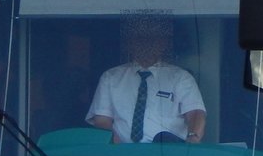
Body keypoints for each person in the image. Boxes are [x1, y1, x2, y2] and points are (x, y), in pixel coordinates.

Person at [86, 14, 206, 144]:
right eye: (139, 39)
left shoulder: (181, 78)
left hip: (168, 154)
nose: (146, 43)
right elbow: (102, 120)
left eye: (152, 39)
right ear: (129, 43)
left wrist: (193, 138)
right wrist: (112, 144)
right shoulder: (110, 77)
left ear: (163, 43)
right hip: (122, 152)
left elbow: (195, 113)